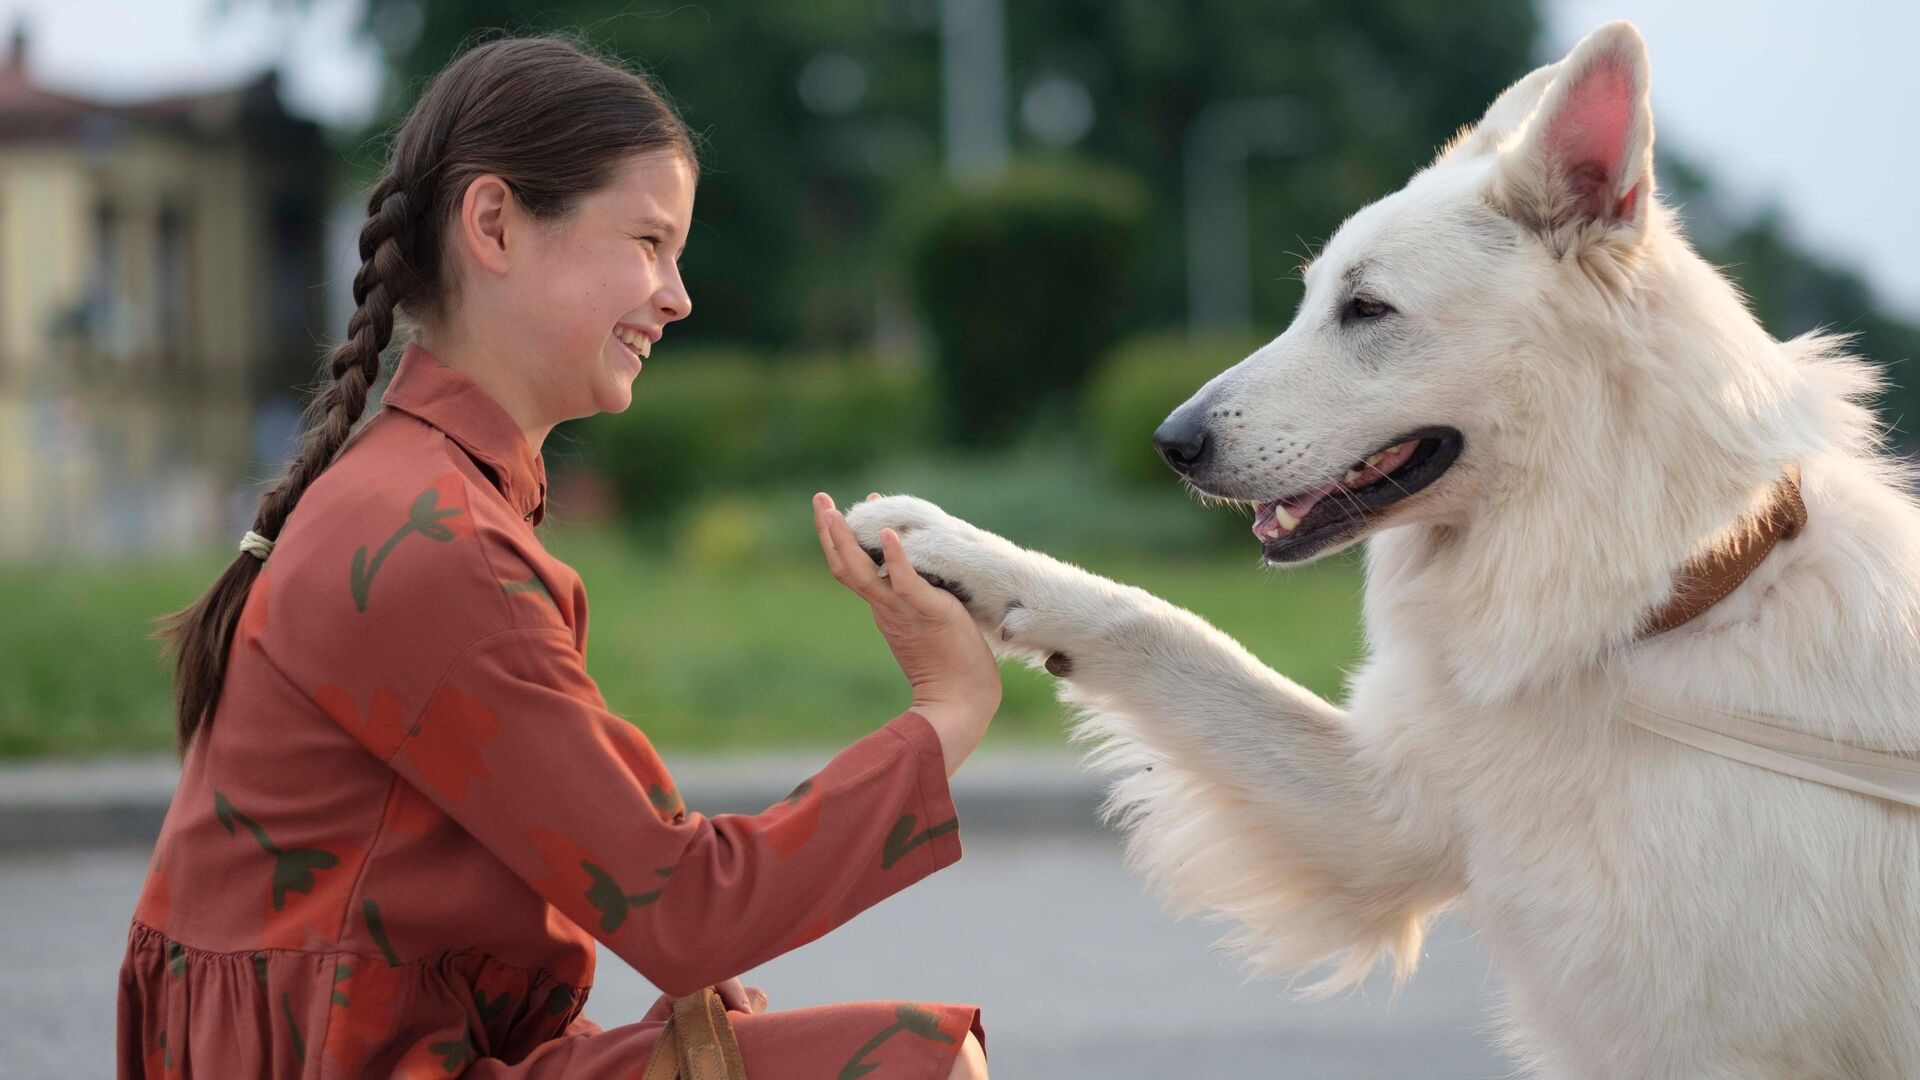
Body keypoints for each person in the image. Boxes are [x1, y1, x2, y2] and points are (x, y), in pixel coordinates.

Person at [122, 33, 998, 1079]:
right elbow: (687, 913)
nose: (677, 296)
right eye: (646, 242)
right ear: (494, 224)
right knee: (912, 1065)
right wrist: (948, 707)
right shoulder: (431, 539)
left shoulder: (423, 498)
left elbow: (640, 867)